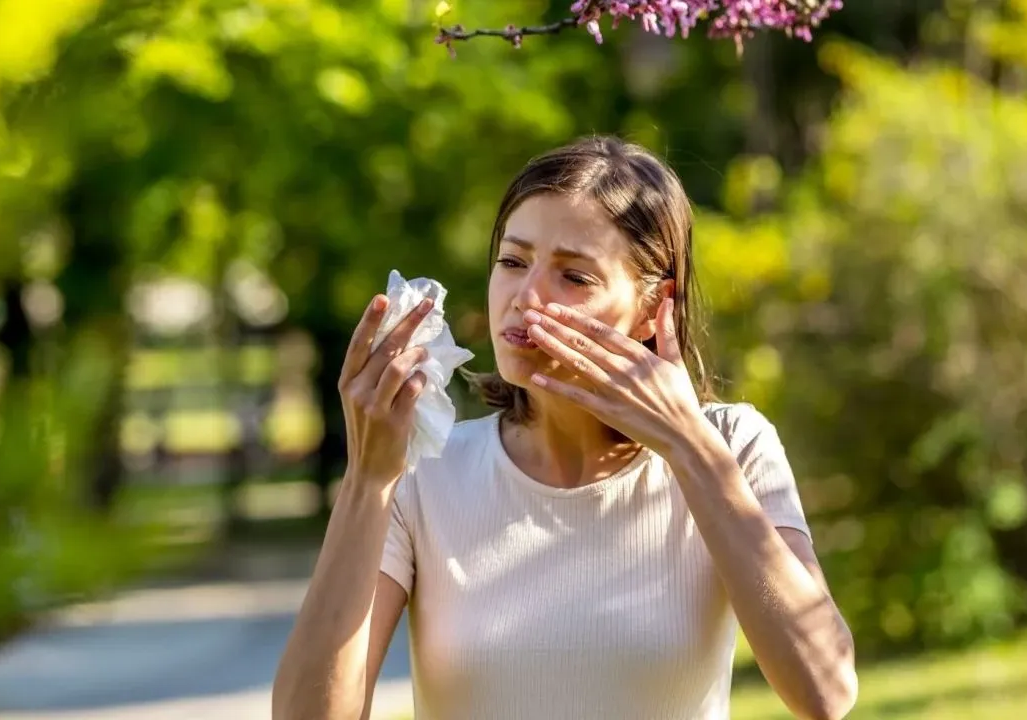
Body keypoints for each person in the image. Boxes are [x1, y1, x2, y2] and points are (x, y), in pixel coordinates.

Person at [272, 136, 858, 720]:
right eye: (512, 261)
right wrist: (367, 481)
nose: (524, 298)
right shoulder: (427, 472)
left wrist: (689, 445)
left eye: (574, 277)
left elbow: (825, 693)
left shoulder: (732, 447)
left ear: (654, 309)